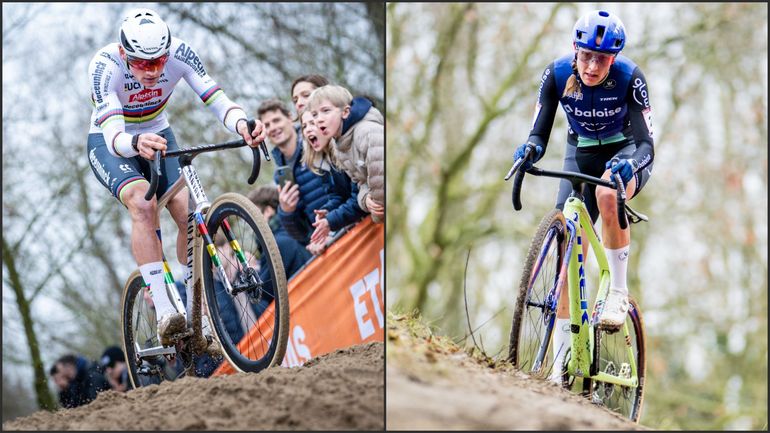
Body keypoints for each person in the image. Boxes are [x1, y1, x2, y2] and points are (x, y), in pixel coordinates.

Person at [86, 8, 266, 347]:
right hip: (114, 141)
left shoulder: (181, 53)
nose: (153, 72)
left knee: (187, 213)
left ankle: (196, 308)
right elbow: (114, 137)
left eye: (159, 62)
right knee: (142, 205)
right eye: (143, 64)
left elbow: (215, 97)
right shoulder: (105, 66)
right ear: (124, 53)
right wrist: (135, 143)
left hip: (159, 133)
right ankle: (166, 311)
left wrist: (243, 124)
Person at [511, 10, 654, 381]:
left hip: (625, 152)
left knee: (607, 192)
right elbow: (539, 133)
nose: (592, 66)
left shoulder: (631, 78)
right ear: (575, 49)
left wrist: (631, 166)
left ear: (614, 59)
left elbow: (646, 144)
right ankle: (559, 372)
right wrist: (530, 149)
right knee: (567, 260)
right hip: (581, 152)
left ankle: (618, 290)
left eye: (602, 59)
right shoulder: (557, 74)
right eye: (586, 55)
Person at [259, 99, 365, 252]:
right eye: (267, 125)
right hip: (326, 244)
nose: (273, 128)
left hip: (352, 228)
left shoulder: (319, 147)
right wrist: (286, 212)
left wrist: (330, 224)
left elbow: (347, 193)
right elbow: (300, 233)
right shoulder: (281, 175)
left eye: (276, 120)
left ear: (290, 117)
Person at [307, 85, 385, 223]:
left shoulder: (368, 133)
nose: (319, 119)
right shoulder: (339, 145)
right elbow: (360, 182)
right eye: (315, 114)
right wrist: (365, 199)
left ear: (345, 112)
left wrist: (378, 216)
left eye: (326, 111)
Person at [247, 185, 313, 274]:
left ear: (268, 211)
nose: (250, 222)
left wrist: (249, 270)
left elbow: (266, 282)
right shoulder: (293, 230)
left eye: (252, 215)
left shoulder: (275, 245)